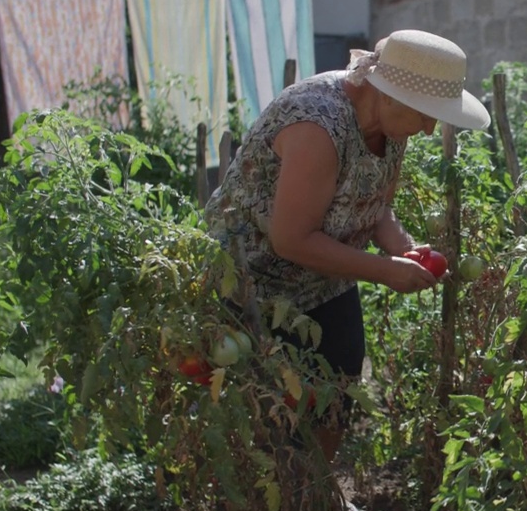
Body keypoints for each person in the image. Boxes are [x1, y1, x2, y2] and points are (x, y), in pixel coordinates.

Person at [204, 29, 491, 467]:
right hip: (251, 283)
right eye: (427, 114)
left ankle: (319, 500)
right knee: (266, 408)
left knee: (338, 387)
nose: (431, 128)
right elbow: (291, 239)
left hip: (323, 275)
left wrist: (406, 248)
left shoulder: (392, 126)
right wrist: (385, 270)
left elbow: (375, 206)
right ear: (389, 94)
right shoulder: (317, 124)